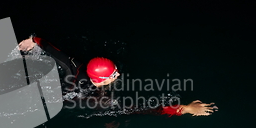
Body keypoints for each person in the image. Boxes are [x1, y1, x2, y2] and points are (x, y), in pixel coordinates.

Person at [18, 35, 218, 117]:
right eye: (113, 75)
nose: (118, 75)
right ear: (100, 81)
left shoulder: (77, 66)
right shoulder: (99, 100)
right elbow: (144, 109)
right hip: (65, 97)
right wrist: (185, 109)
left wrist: (33, 40)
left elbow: (53, 49)